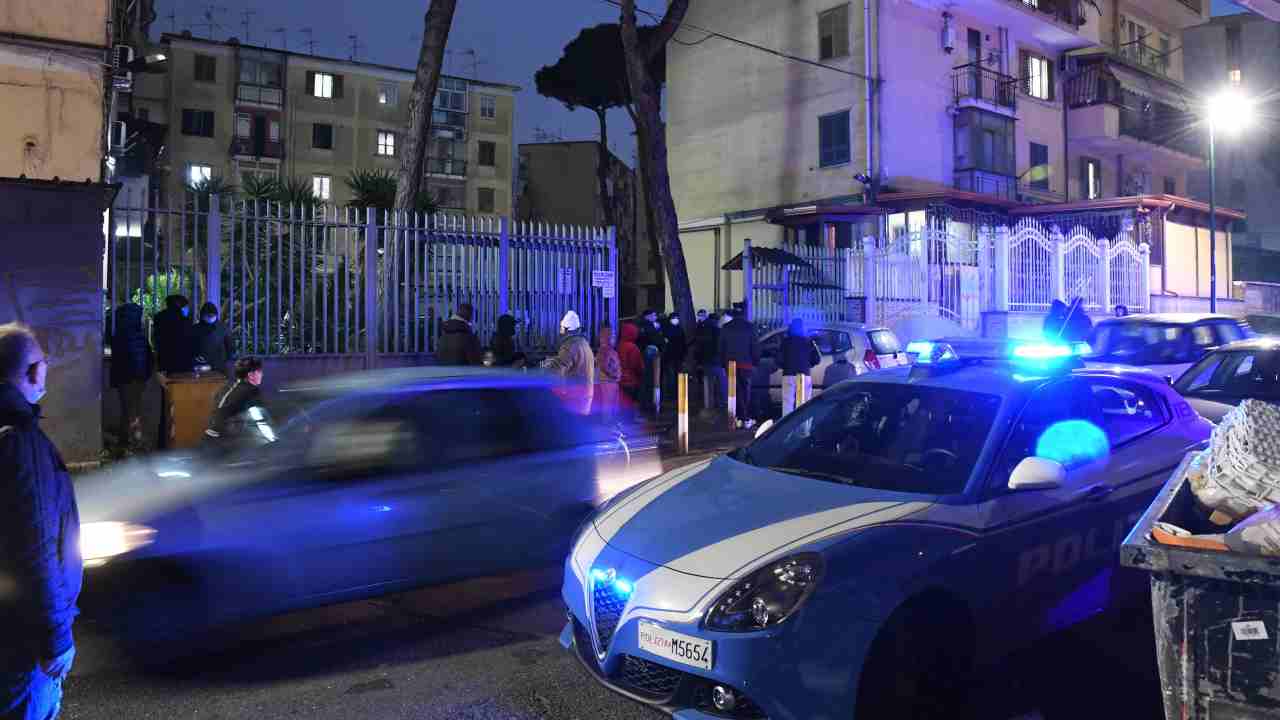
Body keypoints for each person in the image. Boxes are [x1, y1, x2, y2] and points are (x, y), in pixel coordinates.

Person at [0, 323, 82, 720]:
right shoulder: (20, 440)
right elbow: (35, 546)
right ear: (34, 372)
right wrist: (57, 637)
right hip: (22, 637)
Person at [109, 302, 152, 453]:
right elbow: (149, 358)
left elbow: (116, 362)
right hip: (138, 379)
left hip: (124, 380)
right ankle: (133, 441)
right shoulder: (140, 336)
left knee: (127, 410)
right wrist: (146, 376)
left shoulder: (118, 337)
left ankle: (128, 442)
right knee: (134, 410)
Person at [202, 357, 267, 456]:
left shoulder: (227, 386)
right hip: (226, 443)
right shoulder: (251, 391)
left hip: (208, 438)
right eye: (259, 372)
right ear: (251, 375)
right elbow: (260, 419)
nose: (262, 374)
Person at [542, 311, 595, 415]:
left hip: (574, 396)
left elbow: (558, 368)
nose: (560, 332)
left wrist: (544, 368)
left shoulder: (571, 345)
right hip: (585, 393)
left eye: (562, 328)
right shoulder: (583, 343)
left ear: (567, 329)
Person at [718, 308, 760, 428]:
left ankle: (734, 418)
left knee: (733, 391)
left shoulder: (726, 328)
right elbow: (754, 346)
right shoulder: (750, 327)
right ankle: (745, 417)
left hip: (730, 365)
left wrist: (723, 363)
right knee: (745, 391)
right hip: (746, 365)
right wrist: (755, 361)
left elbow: (721, 347)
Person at [693, 311, 726, 418]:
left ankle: (709, 405)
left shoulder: (702, 328)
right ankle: (721, 404)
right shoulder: (717, 329)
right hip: (717, 360)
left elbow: (699, 346)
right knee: (721, 383)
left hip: (707, 360)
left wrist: (699, 360)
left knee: (709, 383)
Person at [153, 294, 194, 374]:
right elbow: (189, 341)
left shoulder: (159, 317)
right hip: (182, 360)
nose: (187, 309)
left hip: (164, 358)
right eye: (185, 306)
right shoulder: (184, 320)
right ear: (180, 306)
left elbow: (156, 338)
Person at [191, 302, 235, 372]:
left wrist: (229, 362)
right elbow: (191, 347)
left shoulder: (224, 328)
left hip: (220, 366)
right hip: (201, 366)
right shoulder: (195, 329)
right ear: (202, 315)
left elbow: (230, 347)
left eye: (212, 315)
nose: (210, 317)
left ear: (216, 315)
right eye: (208, 315)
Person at [595, 325, 621, 419]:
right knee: (608, 405)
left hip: (611, 381)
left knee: (611, 404)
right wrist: (614, 375)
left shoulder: (608, 349)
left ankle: (609, 423)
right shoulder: (605, 350)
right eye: (612, 336)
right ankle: (607, 425)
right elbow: (604, 365)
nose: (614, 338)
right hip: (608, 381)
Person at [617, 321, 645, 409]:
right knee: (631, 403)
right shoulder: (633, 347)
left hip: (620, 379)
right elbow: (637, 365)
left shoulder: (619, 345)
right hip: (631, 380)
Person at [662, 313, 688, 396]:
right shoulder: (667, 328)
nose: (676, 319)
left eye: (677, 318)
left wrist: (684, 354)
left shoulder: (679, 328)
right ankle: (671, 392)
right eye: (674, 318)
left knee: (676, 374)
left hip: (678, 355)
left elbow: (683, 342)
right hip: (669, 355)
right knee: (671, 374)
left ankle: (676, 391)